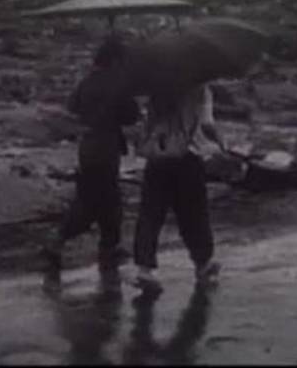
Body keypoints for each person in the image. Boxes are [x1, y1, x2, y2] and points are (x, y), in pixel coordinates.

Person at [41, 36, 140, 282]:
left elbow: (71, 109)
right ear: (115, 60)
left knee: (106, 200)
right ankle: (60, 239)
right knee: (95, 203)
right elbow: (131, 116)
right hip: (106, 150)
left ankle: (109, 246)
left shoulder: (86, 83)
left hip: (88, 148)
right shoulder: (118, 83)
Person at [132, 83, 225, 292]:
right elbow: (207, 124)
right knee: (193, 213)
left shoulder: (157, 87)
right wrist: (221, 144)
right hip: (188, 157)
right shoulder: (200, 88)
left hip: (158, 155)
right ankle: (202, 263)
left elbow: (146, 120)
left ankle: (145, 269)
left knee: (151, 212)